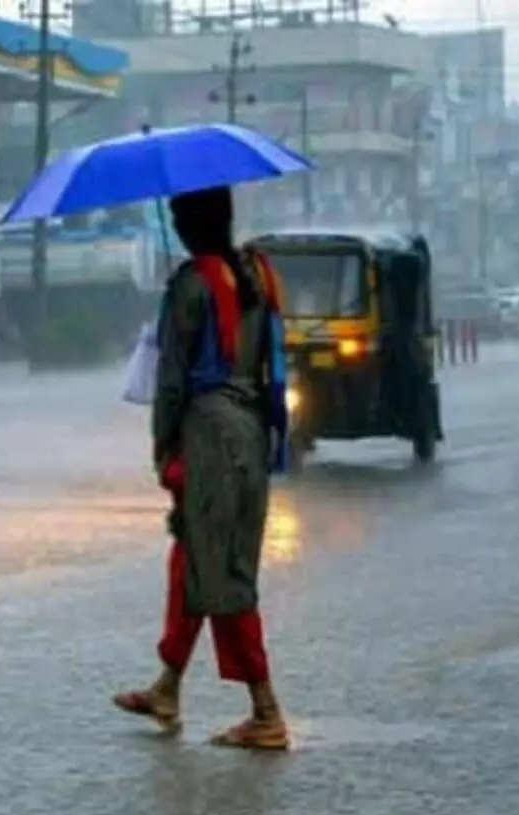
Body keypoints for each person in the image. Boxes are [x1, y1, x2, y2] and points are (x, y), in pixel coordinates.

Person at [112, 186, 292, 751]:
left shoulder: (190, 286)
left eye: (177, 216)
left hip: (209, 435)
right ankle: (167, 685)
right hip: (251, 428)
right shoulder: (260, 276)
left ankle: (266, 712)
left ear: (191, 225)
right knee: (195, 559)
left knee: (223, 572)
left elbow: (170, 380)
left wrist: (163, 447)